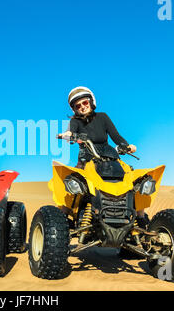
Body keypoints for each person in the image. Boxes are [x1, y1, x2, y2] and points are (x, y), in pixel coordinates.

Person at [59, 86, 148, 227]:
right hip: (87, 157)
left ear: (91, 101)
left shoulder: (103, 117)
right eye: (78, 105)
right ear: (74, 109)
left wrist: (126, 145)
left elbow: (116, 136)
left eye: (85, 103)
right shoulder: (75, 122)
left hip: (109, 156)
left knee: (135, 179)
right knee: (73, 182)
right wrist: (67, 134)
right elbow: (71, 132)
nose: (82, 107)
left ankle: (141, 218)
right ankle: (62, 218)